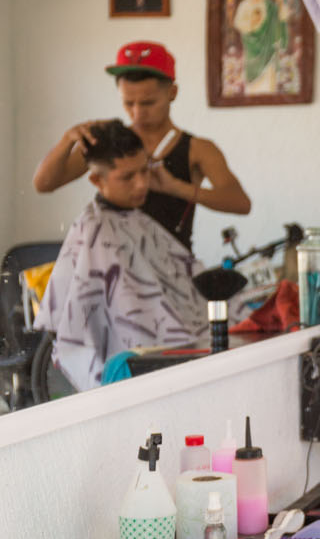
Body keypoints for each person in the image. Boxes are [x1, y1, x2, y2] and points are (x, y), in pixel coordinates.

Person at [35, 122, 245, 391]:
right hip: (138, 358)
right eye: (127, 177)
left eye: (145, 171)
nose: (142, 184)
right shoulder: (96, 230)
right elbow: (132, 323)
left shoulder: (138, 221)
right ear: (97, 180)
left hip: (174, 338)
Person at [32, 41, 251, 251]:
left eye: (148, 103)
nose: (137, 113)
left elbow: (240, 203)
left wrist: (176, 188)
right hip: (115, 268)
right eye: (128, 103)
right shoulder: (108, 142)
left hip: (171, 273)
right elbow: (43, 184)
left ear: (172, 93)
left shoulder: (198, 149)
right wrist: (66, 141)